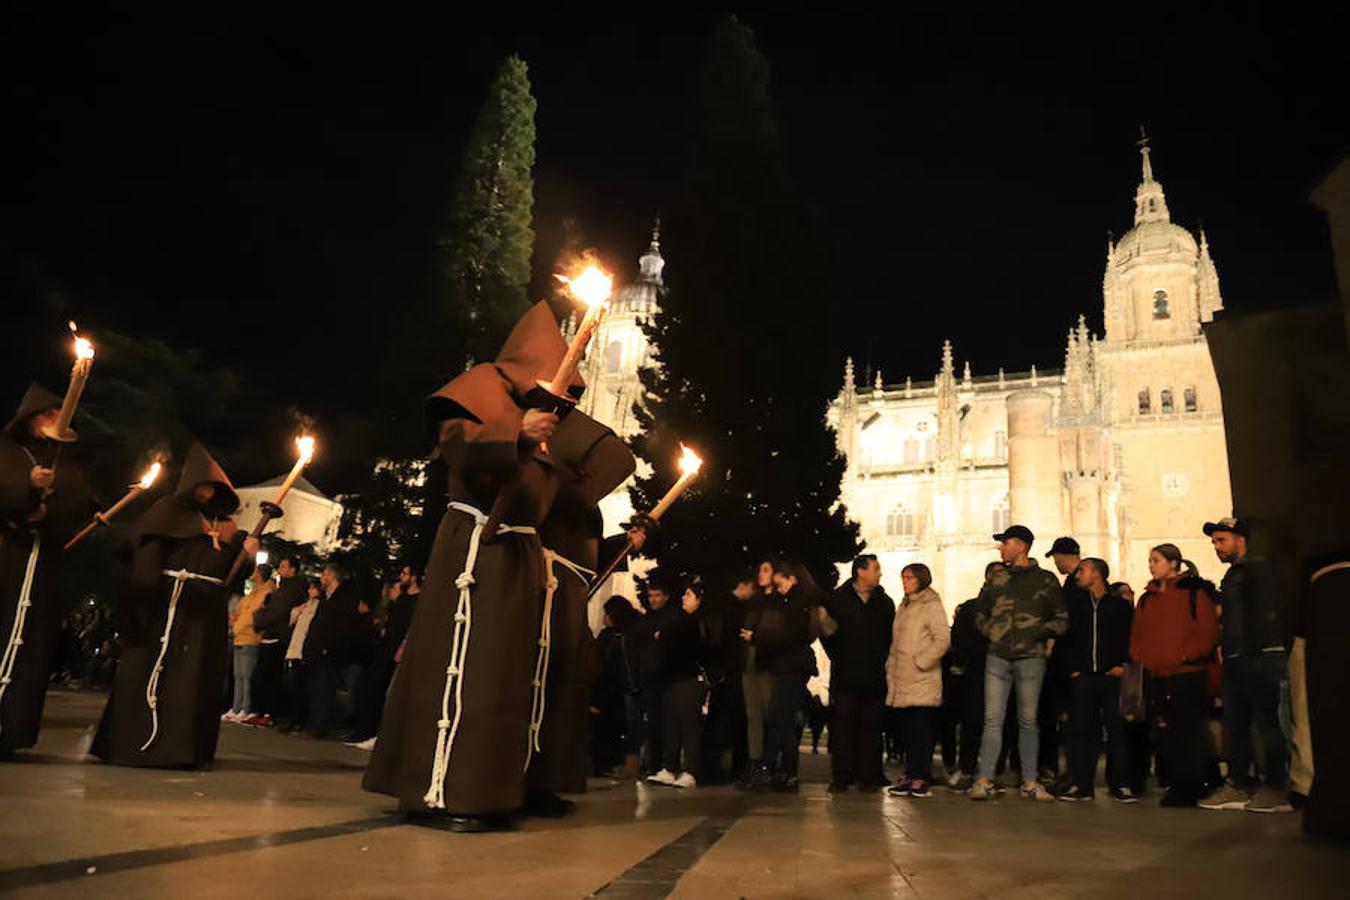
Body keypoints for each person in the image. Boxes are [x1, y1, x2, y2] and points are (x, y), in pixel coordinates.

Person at [363, 300, 577, 832]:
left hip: (517, 557)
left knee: (501, 677)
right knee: (464, 666)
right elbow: (458, 443)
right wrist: (516, 436)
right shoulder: (480, 387)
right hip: (475, 548)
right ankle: (441, 789)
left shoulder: (544, 425)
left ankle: (486, 789)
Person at [93, 443, 258, 768]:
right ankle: (133, 744)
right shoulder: (165, 512)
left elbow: (226, 576)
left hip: (199, 619)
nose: (209, 493)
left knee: (191, 681)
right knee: (149, 675)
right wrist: (142, 599)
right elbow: (144, 559)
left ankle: (181, 750)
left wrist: (247, 555)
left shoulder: (221, 527)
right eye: (205, 485)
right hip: (162, 610)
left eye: (214, 489)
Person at [524, 408, 637, 816]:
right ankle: (520, 779)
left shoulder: (586, 507)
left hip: (567, 604)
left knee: (560, 693)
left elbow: (589, 558)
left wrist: (629, 541)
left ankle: (546, 780)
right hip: (543, 601)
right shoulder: (546, 494)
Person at [0, 384, 92, 757]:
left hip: (40, 563)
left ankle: (11, 730)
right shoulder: (7, 453)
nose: (54, 420)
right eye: (48, 414)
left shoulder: (65, 462)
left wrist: (47, 511)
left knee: (29, 643)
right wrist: (26, 488)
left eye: (59, 414)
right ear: (30, 419)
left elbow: (77, 504)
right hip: (6, 554)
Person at [1198, 517, 1293, 813]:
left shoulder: (1257, 568)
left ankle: (1277, 787)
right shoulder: (1233, 575)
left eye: (1221, 540)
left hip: (1260, 655)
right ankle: (1238, 784)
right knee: (1235, 725)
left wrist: (1253, 649)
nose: (1216, 547)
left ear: (1240, 539)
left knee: (1267, 722)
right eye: (1214, 542)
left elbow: (1267, 613)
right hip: (1238, 656)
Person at [970, 525, 1067, 802]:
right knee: (992, 720)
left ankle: (1029, 782)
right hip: (997, 656)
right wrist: (992, 631)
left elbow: (1061, 619)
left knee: (1027, 721)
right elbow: (979, 611)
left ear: (1021, 546)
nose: (1001, 548)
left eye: (1006, 543)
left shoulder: (1045, 580)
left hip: (1031, 659)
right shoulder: (996, 577)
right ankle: (984, 779)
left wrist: (1037, 633)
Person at [1130, 543, 1220, 807]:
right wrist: (1142, 657)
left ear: (1172, 563)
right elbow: (1138, 633)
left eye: (1155, 560)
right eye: (1149, 560)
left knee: (1189, 731)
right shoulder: (1147, 598)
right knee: (1167, 733)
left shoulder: (1193, 592)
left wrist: (1186, 655)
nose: (1151, 565)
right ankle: (1178, 783)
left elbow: (1208, 630)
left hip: (1188, 672)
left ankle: (1191, 785)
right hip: (1158, 673)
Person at [1058, 558, 1135, 803]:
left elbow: (1131, 638)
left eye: (1082, 570)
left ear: (1097, 574)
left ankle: (1120, 784)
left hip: (1112, 678)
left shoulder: (1120, 607)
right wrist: (1073, 670)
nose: (1077, 574)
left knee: (1117, 731)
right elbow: (1066, 640)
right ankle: (1082, 785)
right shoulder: (1074, 605)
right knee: (1082, 732)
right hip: (1084, 679)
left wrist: (1123, 665)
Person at [823, 554, 894, 792]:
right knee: (843, 727)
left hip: (875, 675)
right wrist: (840, 655)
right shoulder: (838, 599)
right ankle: (842, 775)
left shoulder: (884, 602)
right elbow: (828, 634)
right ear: (860, 571)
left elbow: (889, 638)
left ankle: (870, 774)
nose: (880, 573)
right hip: (846, 675)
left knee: (872, 728)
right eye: (876, 568)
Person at [884, 564, 950, 798]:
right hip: (903, 679)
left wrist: (921, 661)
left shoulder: (930, 604)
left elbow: (942, 638)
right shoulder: (904, 605)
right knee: (908, 731)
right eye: (903, 577)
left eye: (910, 577)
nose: (905, 581)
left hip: (921, 679)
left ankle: (921, 775)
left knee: (921, 729)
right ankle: (911, 773)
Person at [750, 560, 815, 792]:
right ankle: (777, 769)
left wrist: (758, 640)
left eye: (781, 583)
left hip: (792, 667)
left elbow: (787, 636)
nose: (778, 588)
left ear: (792, 579)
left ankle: (787, 770)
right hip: (788, 666)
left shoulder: (796, 603)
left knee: (780, 717)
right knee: (780, 718)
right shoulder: (793, 601)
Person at [941, 561, 1000, 791]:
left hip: (995, 673)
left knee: (992, 725)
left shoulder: (1009, 608)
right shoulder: (971, 608)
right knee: (974, 724)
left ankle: (987, 771)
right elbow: (957, 641)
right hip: (977, 675)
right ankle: (967, 770)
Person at [648, 582, 708, 788]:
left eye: (689, 594)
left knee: (688, 725)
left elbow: (678, 640)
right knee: (671, 724)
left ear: (699, 600)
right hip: (672, 678)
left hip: (687, 678)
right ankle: (670, 767)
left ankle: (690, 770)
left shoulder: (696, 622)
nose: (684, 597)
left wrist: (662, 636)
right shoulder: (679, 618)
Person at [302, 565, 363, 737]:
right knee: (315, 688)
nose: (322, 577)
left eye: (325, 574)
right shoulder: (325, 600)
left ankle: (320, 725)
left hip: (327, 652)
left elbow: (342, 627)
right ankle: (313, 722)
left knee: (324, 688)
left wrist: (327, 647)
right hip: (315, 650)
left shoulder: (343, 600)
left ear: (333, 577)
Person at [1041, 536, 1082, 787]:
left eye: (1056, 557)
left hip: (1070, 663)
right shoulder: (1071, 584)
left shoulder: (1076, 585)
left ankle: (1071, 772)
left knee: (1071, 720)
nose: (1055, 562)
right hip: (1066, 662)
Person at [251, 556, 306, 728]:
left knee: (269, 677)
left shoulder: (291, 589)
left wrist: (258, 619)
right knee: (261, 676)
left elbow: (277, 612)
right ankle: (261, 711)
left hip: (277, 637)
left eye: (284, 566)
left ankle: (268, 713)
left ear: (292, 570)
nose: (280, 569)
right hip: (271, 635)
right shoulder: (281, 589)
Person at [592, 595, 641, 777]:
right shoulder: (632, 631)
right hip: (626, 688)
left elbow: (604, 666)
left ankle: (623, 764)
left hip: (620, 689)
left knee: (624, 727)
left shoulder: (613, 637)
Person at [737, 560, 776, 789]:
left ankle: (767, 764)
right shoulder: (756, 601)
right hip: (750, 661)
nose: (761, 574)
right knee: (753, 715)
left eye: (766, 570)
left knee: (768, 713)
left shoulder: (777, 602)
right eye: (760, 569)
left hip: (765, 662)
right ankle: (755, 762)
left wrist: (756, 636)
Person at [226, 563, 273, 723]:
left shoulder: (265, 593)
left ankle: (246, 708)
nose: (252, 574)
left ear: (259, 574)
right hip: (240, 636)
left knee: (247, 676)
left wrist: (236, 625)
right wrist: (235, 622)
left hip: (250, 638)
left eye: (255, 571)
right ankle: (236, 707)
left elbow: (250, 616)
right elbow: (238, 611)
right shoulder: (252, 593)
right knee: (237, 675)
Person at [281, 579, 322, 733]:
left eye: (313, 588)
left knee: (300, 687)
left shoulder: (318, 607)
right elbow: (292, 618)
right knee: (292, 686)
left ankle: (299, 719)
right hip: (294, 648)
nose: (310, 591)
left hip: (303, 651)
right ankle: (292, 718)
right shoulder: (305, 606)